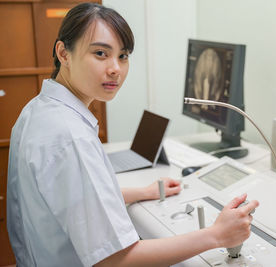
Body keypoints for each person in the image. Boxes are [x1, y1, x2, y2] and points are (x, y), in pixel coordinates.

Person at [7, 3, 259, 267]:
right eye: (101, 53)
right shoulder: (71, 136)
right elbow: (114, 260)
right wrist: (216, 235)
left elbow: (70, 195)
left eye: (123, 56)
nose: (115, 68)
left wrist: (140, 192)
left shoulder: (37, 110)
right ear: (63, 53)